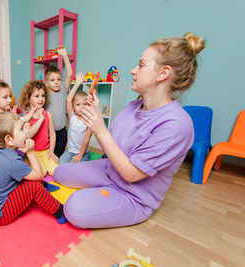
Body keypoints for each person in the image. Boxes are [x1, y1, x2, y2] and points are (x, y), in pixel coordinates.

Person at [54, 32, 206, 228]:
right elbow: (112, 147)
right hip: (109, 170)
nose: (133, 70)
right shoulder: (133, 107)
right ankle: (102, 192)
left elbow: (131, 175)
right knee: (59, 173)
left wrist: (100, 129)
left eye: (141, 65)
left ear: (163, 73)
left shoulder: (177, 124)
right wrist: (96, 119)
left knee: (73, 208)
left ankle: (108, 199)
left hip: (133, 195)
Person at [0, 112, 67, 225]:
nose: (26, 131)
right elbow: (38, 175)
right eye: (21, 129)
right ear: (9, 140)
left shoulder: (2, 153)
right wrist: (31, 152)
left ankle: (44, 187)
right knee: (34, 185)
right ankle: (60, 212)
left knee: (26, 173)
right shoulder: (11, 161)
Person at [18, 80, 58, 176]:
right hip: (34, 152)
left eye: (43, 96)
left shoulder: (49, 115)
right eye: (37, 96)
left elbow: (52, 134)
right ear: (28, 98)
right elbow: (28, 135)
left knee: (55, 171)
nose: (41, 99)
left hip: (46, 151)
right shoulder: (27, 117)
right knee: (41, 173)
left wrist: (51, 151)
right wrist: (40, 120)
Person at [45, 46, 73, 157]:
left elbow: (70, 75)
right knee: (49, 155)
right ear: (46, 83)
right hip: (48, 133)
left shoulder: (62, 91)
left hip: (62, 131)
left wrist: (65, 56)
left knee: (60, 154)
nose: (56, 82)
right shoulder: (45, 95)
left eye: (58, 79)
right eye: (52, 80)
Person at [59, 72, 92, 164]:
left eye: (84, 104)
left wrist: (80, 155)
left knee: (74, 170)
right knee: (61, 165)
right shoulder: (72, 117)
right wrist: (77, 84)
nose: (81, 107)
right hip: (70, 151)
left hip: (83, 153)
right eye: (78, 104)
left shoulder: (89, 121)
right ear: (73, 107)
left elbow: (86, 139)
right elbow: (69, 100)